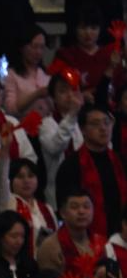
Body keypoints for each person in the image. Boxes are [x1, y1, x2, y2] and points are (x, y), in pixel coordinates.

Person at [55, 104, 127, 239]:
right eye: (95, 124)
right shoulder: (71, 166)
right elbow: (65, 209)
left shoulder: (121, 162)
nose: (103, 128)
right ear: (83, 129)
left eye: (106, 122)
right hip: (86, 238)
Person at [39, 72, 84, 209]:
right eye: (63, 91)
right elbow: (55, 147)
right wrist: (72, 115)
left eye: (73, 90)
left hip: (83, 188)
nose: (70, 95)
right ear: (53, 97)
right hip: (57, 192)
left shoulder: (84, 121)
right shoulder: (46, 123)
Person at [36, 189, 98, 276]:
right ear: (62, 213)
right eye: (74, 207)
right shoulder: (50, 246)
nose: (81, 211)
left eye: (86, 207)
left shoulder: (100, 242)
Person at [3, 25, 51, 119]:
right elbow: (10, 109)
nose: (38, 52)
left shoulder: (45, 73)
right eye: (34, 47)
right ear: (22, 47)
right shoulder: (12, 74)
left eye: (42, 47)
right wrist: (36, 94)